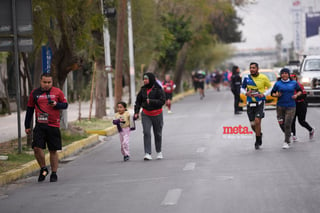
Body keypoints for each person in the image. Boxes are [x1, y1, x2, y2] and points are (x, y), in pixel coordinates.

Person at [24, 73, 68, 182]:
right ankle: (43, 168)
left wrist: (56, 105)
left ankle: (54, 173)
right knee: (36, 148)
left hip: (53, 125)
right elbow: (29, 110)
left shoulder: (57, 92)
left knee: (53, 150)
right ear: (40, 81)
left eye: (49, 82)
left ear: (52, 82)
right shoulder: (35, 93)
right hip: (40, 125)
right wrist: (27, 125)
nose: (47, 84)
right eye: (44, 82)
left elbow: (65, 105)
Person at [134, 72, 166, 160]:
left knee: (158, 134)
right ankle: (147, 153)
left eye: (146, 79)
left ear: (151, 79)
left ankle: (159, 152)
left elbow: (162, 101)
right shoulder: (143, 90)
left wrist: (151, 101)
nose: (144, 81)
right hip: (146, 115)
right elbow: (138, 102)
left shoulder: (158, 89)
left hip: (157, 114)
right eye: (144, 79)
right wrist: (136, 112)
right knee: (146, 132)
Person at [241, 62, 272, 150]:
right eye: (251, 68)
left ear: (257, 69)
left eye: (254, 68)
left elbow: (270, 87)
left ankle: (257, 141)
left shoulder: (263, 77)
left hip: (260, 103)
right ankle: (259, 134)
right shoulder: (247, 78)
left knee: (257, 121)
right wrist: (246, 93)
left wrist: (264, 94)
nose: (252, 69)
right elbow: (242, 88)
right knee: (253, 124)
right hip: (250, 103)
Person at [271, 68, 302, 149]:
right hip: (280, 106)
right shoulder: (278, 83)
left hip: (291, 106)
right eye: (283, 73)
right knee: (281, 123)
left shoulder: (294, 83)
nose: (284, 75)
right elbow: (272, 93)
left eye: (286, 73)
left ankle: (286, 141)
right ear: (281, 75)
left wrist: (296, 95)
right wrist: (276, 95)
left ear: (288, 74)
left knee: (288, 123)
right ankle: (288, 134)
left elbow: (300, 91)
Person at [290, 73, 314, 141]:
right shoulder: (288, 86)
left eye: (293, 78)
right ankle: (294, 135)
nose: (292, 80)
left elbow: (304, 95)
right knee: (292, 120)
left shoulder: (299, 85)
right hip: (293, 105)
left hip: (301, 104)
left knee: (301, 121)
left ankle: (311, 130)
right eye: (291, 79)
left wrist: (296, 97)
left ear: (296, 78)